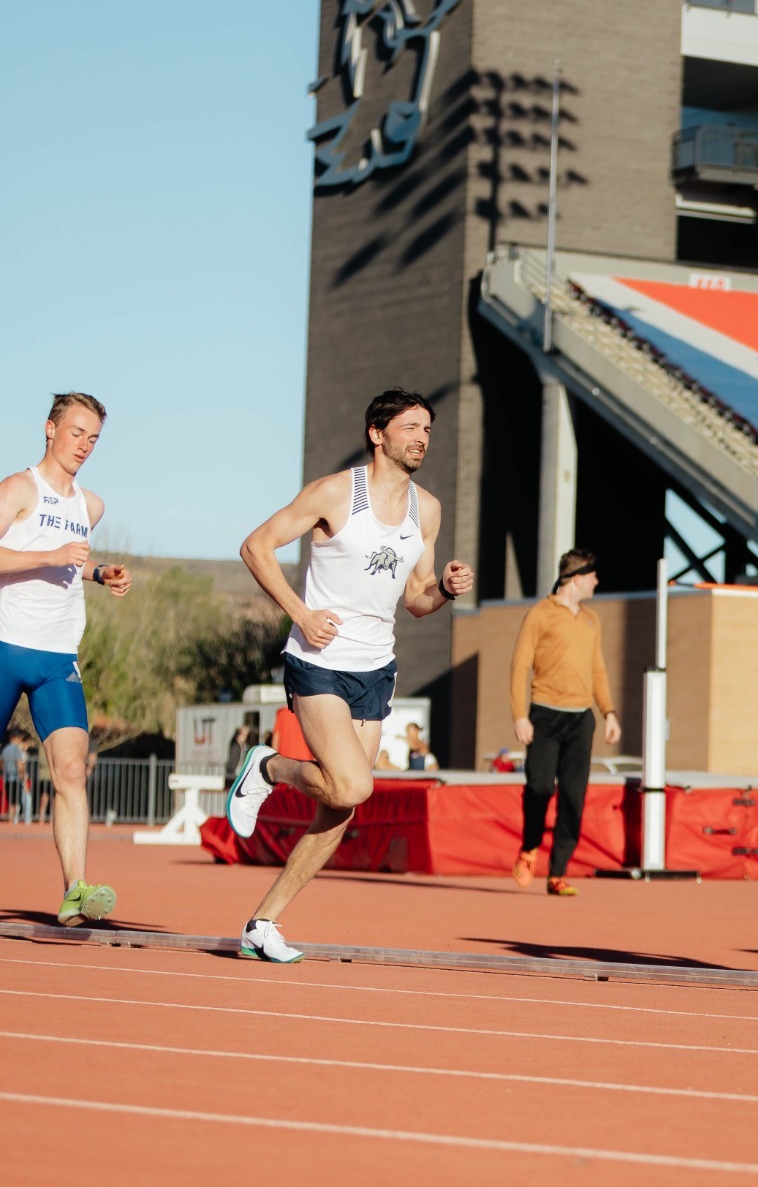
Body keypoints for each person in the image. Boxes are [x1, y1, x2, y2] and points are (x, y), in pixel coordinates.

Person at [222, 388, 474, 963]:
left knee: (341, 805)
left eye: (427, 429)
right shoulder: (335, 492)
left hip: (375, 667)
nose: (422, 439)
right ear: (377, 434)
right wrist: (301, 614)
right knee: (355, 785)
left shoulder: (427, 509)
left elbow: (416, 598)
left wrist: (445, 589)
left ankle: (262, 923)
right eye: (410, 428)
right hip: (319, 660)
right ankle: (268, 766)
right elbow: (256, 546)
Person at [0, 392, 132, 924]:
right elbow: (47, 554)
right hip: (5, 644)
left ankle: (75, 891)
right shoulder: (18, 488)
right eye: (77, 433)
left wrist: (98, 573)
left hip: (58, 655)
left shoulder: (90, 506)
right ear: (50, 429)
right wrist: (50, 555)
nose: (84, 445)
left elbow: (67, 565)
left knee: (72, 771)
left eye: (93, 438)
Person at [509, 547, 621, 897]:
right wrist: (520, 716)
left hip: (580, 719)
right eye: (593, 576)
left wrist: (609, 712)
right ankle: (529, 848)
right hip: (544, 715)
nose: (597, 582)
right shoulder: (540, 614)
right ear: (576, 578)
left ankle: (557, 873)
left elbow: (597, 669)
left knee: (573, 797)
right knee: (541, 788)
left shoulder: (591, 620)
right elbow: (520, 666)